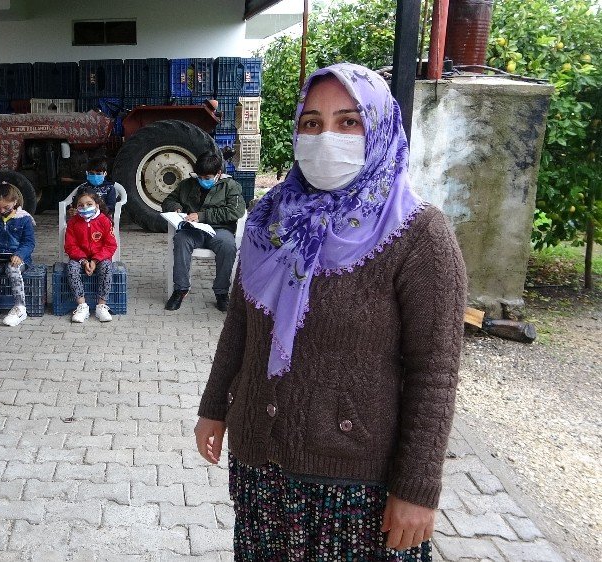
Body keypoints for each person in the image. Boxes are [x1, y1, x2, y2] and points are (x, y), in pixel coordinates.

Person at [193, 63, 467, 561]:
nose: (326, 139)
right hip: (262, 470)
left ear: (381, 128)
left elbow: (435, 372)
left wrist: (418, 489)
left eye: (348, 122)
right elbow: (241, 322)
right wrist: (214, 407)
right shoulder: (268, 220)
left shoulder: (420, 236)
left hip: (357, 489)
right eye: (312, 123)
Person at [162, 150, 245, 312]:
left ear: (218, 174)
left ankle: (221, 292)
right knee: (180, 240)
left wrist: (202, 216)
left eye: (207, 178)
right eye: (199, 177)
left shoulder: (231, 186)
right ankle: (180, 289)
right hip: (193, 231)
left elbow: (235, 211)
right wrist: (176, 208)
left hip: (219, 231)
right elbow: (168, 201)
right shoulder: (187, 184)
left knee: (228, 246)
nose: (202, 181)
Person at [0, 181, 35, 328]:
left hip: (18, 259)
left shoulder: (24, 219)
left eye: (6, 207)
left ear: (15, 202)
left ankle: (20, 308)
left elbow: (29, 242)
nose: (2, 210)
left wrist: (20, 254)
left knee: (12, 269)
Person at [64, 190, 117, 323]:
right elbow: (70, 246)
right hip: (79, 258)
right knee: (71, 267)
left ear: (97, 205)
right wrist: (83, 261)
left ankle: (101, 305)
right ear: (76, 208)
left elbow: (110, 245)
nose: (85, 208)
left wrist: (95, 260)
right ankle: (82, 306)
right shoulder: (73, 222)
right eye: (81, 205)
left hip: (100, 258)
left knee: (106, 267)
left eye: (89, 204)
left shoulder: (105, 221)